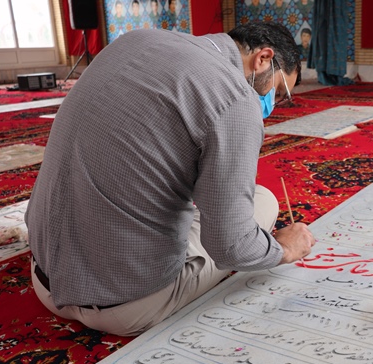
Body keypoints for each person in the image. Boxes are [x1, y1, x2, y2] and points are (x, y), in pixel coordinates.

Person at [25, 22, 315, 336]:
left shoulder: (135, 40)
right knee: (263, 201)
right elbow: (232, 248)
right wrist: (284, 249)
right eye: (279, 92)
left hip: (44, 278)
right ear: (263, 58)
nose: (272, 103)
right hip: (125, 305)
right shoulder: (236, 97)